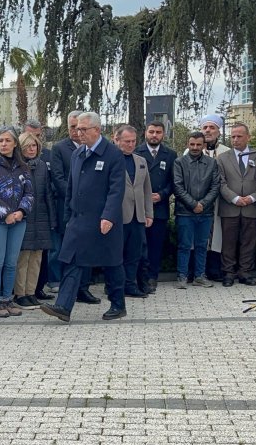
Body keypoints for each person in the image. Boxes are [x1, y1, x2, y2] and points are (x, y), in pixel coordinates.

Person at [40, 112, 127, 323]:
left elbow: (117, 190)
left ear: (97, 130)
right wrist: (68, 215)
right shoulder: (78, 154)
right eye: (77, 129)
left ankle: (118, 305)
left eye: (83, 129)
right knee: (71, 261)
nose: (79, 133)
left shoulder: (113, 154)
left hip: (103, 221)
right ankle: (63, 306)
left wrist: (108, 217)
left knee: (112, 263)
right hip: (78, 221)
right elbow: (71, 187)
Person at [0, 127, 33, 318]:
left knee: (12, 262)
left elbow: (29, 193)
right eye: (1, 140)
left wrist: (20, 211)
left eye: (7, 141)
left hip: (19, 220)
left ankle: (8, 298)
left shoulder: (23, 166)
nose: (3, 144)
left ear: (15, 144)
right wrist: (6, 213)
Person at [49, 110, 99, 305]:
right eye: (72, 127)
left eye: (79, 127)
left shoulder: (95, 149)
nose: (76, 132)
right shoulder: (60, 148)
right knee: (64, 249)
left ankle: (83, 288)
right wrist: (74, 199)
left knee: (85, 250)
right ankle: (60, 283)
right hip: (67, 206)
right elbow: (59, 179)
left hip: (89, 211)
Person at [217, 123, 256, 287]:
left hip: (252, 207)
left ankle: (245, 272)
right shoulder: (222, 158)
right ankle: (228, 273)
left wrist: (252, 197)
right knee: (228, 242)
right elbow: (221, 183)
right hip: (230, 207)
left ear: (248, 137)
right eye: (232, 137)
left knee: (249, 242)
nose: (235, 140)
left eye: (239, 136)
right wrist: (235, 198)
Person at [173, 132, 221, 289]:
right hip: (185, 212)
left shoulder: (212, 163)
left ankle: (199, 276)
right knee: (184, 245)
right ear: (187, 144)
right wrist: (193, 204)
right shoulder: (179, 162)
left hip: (205, 212)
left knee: (202, 245)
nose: (195, 147)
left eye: (198, 144)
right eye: (192, 144)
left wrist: (203, 204)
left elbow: (215, 186)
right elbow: (178, 187)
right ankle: (182, 276)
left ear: (204, 145)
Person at [134, 120, 177, 293]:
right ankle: (137, 277)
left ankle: (152, 277)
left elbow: (174, 182)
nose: (154, 135)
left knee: (155, 245)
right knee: (137, 245)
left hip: (159, 208)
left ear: (163, 134)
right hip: (139, 208)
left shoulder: (171, 155)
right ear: (145, 132)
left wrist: (162, 194)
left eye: (158, 132)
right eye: (151, 131)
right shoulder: (137, 152)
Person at [13, 131, 52, 308]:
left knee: (37, 257)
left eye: (34, 145)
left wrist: (52, 219)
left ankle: (31, 292)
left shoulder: (42, 166)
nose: (31, 149)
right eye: (27, 146)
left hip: (41, 216)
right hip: (24, 217)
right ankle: (20, 294)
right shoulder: (16, 166)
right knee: (23, 257)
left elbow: (48, 193)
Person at [115, 125, 154, 298]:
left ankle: (130, 285)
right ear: (117, 140)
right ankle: (115, 285)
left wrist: (148, 213)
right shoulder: (111, 160)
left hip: (138, 215)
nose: (131, 145)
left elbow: (147, 189)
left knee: (134, 254)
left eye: (133, 141)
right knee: (117, 254)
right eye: (127, 141)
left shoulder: (141, 161)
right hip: (118, 215)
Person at [199, 114, 231, 283]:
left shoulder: (226, 152)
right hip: (198, 201)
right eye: (205, 127)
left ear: (218, 130)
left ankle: (215, 268)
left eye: (212, 128)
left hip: (220, 201)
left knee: (217, 235)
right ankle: (198, 270)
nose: (208, 131)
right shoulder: (193, 149)